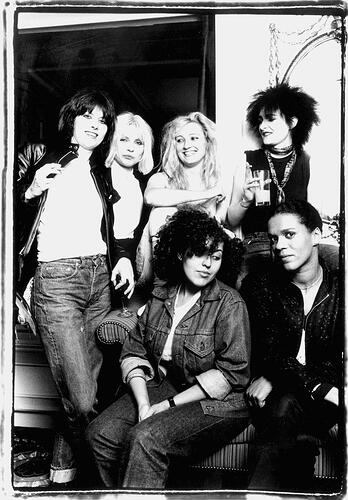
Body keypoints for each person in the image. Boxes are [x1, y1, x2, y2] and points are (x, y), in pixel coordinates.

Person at [14, 88, 135, 488]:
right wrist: (29, 191)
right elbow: (11, 215)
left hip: (100, 279)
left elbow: (110, 229)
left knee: (96, 388)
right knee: (82, 400)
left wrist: (120, 257)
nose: (95, 125)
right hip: (57, 281)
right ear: (72, 119)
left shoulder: (102, 171)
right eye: (88, 116)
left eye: (103, 120)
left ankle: (63, 474)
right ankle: (107, 484)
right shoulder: (43, 158)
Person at [86, 207, 251, 489]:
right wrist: (144, 406)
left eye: (216, 256)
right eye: (199, 253)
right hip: (167, 385)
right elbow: (133, 354)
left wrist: (165, 406)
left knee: (146, 437)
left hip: (220, 404)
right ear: (180, 253)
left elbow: (231, 377)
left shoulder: (229, 304)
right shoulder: (160, 296)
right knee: (99, 434)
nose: (208, 264)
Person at [240, 200, 342, 491]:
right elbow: (271, 353)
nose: (279, 246)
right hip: (300, 395)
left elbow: (339, 356)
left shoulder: (341, 288)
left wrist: (326, 388)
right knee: (288, 417)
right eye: (273, 239)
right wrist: (322, 389)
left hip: (329, 396)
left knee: (287, 412)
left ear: (316, 236)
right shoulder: (260, 286)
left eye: (289, 234)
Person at [227, 83, 319, 283]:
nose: (262, 126)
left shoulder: (307, 161)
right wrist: (246, 200)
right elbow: (231, 221)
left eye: (270, 119)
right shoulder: (247, 160)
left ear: (292, 122)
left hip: (294, 247)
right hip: (256, 245)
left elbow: (314, 219)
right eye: (260, 120)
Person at [136, 111, 227, 286]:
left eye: (194, 138)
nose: (186, 145)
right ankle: (161, 288)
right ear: (173, 146)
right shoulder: (162, 178)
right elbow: (151, 197)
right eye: (179, 140)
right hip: (165, 264)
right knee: (160, 213)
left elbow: (220, 221)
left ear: (207, 142)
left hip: (203, 259)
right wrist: (207, 194)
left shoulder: (217, 179)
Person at [105, 111, 154, 265]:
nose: (130, 148)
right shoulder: (99, 176)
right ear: (113, 141)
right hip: (100, 258)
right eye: (124, 140)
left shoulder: (145, 185)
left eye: (138, 142)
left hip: (131, 260)